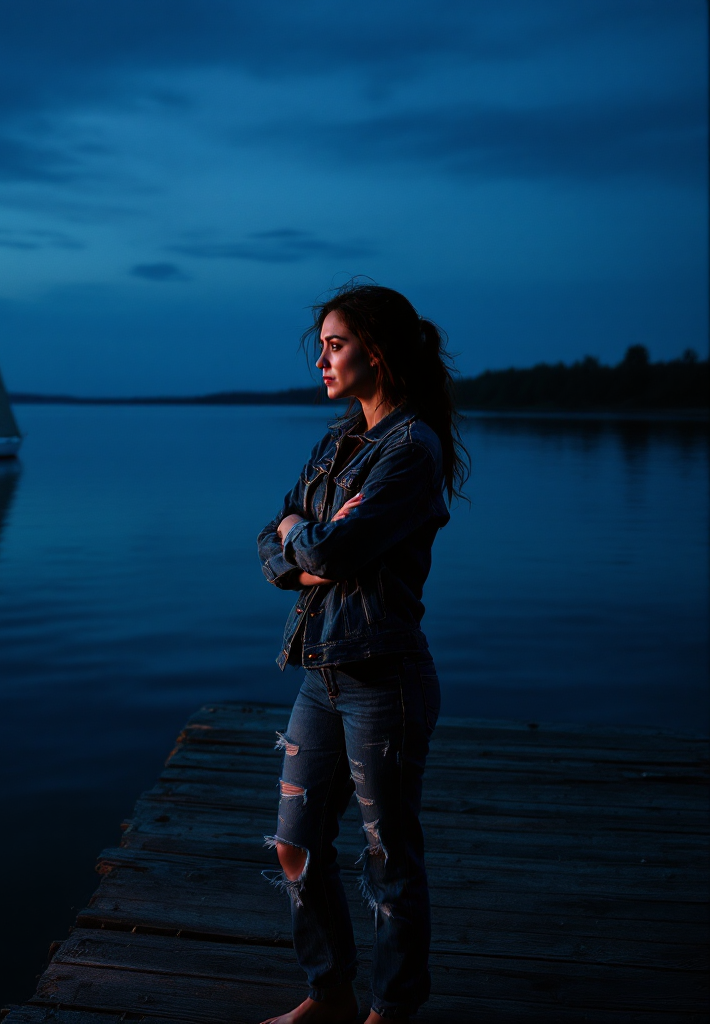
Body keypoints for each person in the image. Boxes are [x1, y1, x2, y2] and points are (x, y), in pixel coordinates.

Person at [256, 283, 468, 1023]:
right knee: (294, 845)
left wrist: (302, 539)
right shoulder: (338, 440)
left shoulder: (412, 448)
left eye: (336, 345)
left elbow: (334, 548)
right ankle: (330, 992)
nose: (322, 359)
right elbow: (276, 538)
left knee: (389, 861)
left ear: (377, 352)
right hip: (321, 674)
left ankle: (393, 1009)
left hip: (385, 678)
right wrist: (296, 539)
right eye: (321, 346)